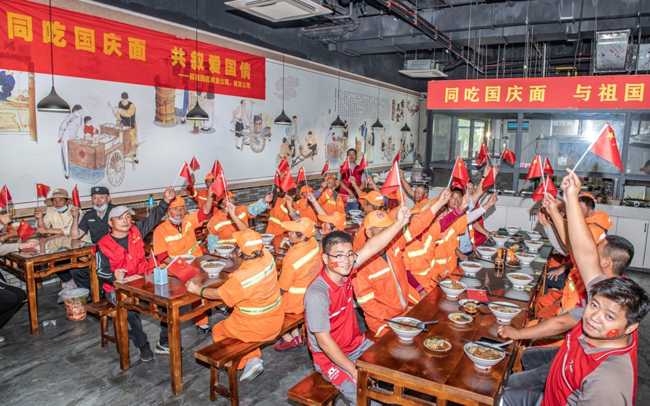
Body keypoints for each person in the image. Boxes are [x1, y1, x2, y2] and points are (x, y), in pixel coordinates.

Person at [498, 170, 650, 406]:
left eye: (609, 317)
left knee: (503, 386)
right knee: (523, 363)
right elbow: (583, 253)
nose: (594, 317)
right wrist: (568, 199)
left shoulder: (609, 381)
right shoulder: (608, 290)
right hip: (562, 369)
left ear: (631, 327)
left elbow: (562, 322)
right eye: (594, 306)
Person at [304, 204, 412, 406]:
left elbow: (372, 247)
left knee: (398, 367)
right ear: (325, 258)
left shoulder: (345, 273)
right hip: (330, 359)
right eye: (338, 256)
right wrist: (354, 370)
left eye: (349, 254)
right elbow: (325, 343)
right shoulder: (318, 294)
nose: (345, 261)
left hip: (356, 346)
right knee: (368, 398)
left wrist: (399, 223)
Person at [186, 229, 284, 382]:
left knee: (218, 330)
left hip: (255, 326)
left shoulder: (241, 277)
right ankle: (252, 358)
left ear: (239, 251)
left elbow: (220, 294)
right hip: (276, 318)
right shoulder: (268, 257)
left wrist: (198, 290)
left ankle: (240, 363)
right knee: (235, 323)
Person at [352, 189, 452, 338]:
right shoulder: (361, 265)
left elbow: (418, 224)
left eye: (388, 228)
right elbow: (367, 303)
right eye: (381, 230)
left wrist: (439, 203)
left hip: (403, 313)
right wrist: (392, 319)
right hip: (382, 323)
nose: (386, 233)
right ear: (369, 233)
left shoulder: (394, 245)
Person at [94, 187, 175, 361]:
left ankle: (164, 342)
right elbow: (100, 271)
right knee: (130, 311)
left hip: (142, 281)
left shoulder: (137, 231)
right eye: (119, 218)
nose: (125, 221)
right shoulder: (103, 245)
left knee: (167, 301)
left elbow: (153, 218)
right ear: (110, 223)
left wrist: (166, 201)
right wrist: (113, 276)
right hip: (118, 287)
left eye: (127, 217)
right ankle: (142, 345)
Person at [153, 193, 214, 335]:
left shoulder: (188, 221)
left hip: (194, 264)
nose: (179, 211)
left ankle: (202, 322)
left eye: (182, 208)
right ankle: (168, 334)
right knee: (173, 301)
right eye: (175, 209)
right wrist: (182, 269)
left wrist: (210, 195)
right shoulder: (160, 230)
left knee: (199, 289)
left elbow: (204, 212)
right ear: (168, 212)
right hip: (171, 270)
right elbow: (162, 256)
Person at [274, 218, 322, 351]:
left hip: (296, 300)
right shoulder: (313, 242)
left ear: (301, 237)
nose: (288, 234)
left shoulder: (292, 257)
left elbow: (283, 286)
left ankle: (287, 339)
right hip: (312, 293)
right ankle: (295, 334)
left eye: (292, 232)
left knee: (268, 310)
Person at [34, 188, 76, 289]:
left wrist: (49, 230)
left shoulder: (74, 210)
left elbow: (70, 231)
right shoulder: (50, 210)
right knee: (53, 259)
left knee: (66, 260)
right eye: (54, 200)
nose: (57, 203)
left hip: (74, 243)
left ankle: (71, 281)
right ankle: (69, 282)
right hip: (57, 244)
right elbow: (43, 227)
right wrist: (40, 218)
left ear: (67, 201)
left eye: (61, 200)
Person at [206, 190, 272, 248]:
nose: (232, 201)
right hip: (227, 251)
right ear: (221, 205)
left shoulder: (241, 210)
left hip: (245, 246)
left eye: (232, 198)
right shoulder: (214, 220)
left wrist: (264, 201)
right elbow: (212, 242)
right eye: (228, 200)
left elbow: (253, 209)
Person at [109, 92, 138, 162]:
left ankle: (134, 155)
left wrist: (120, 110)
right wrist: (114, 111)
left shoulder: (132, 106)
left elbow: (128, 114)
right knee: (123, 141)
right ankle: (124, 154)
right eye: (122, 99)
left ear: (127, 99)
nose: (123, 101)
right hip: (123, 126)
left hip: (131, 127)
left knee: (132, 141)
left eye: (124, 99)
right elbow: (118, 116)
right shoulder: (120, 103)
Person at [58, 104, 83, 179]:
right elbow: (62, 128)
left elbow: (82, 126)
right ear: (75, 111)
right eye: (79, 112)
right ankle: (67, 173)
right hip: (66, 137)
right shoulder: (70, 117)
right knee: (66, 155)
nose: (80, 114)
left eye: (81, 112)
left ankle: (74, 171)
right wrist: (60, 138)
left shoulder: (80, 117)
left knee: (75, 154)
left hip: (74, 137)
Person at [339, 149, 364, 214]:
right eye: (349, 154)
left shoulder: (360, 169)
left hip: (356, 198)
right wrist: (349, 191)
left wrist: (356, 192)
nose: (351, 156)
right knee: (344, 216)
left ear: (356, 156)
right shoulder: (342, 168)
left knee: (356, 216)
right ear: (347, 156)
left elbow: (363, 183)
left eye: (353, 154)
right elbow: (339, 181)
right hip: (344, 197)